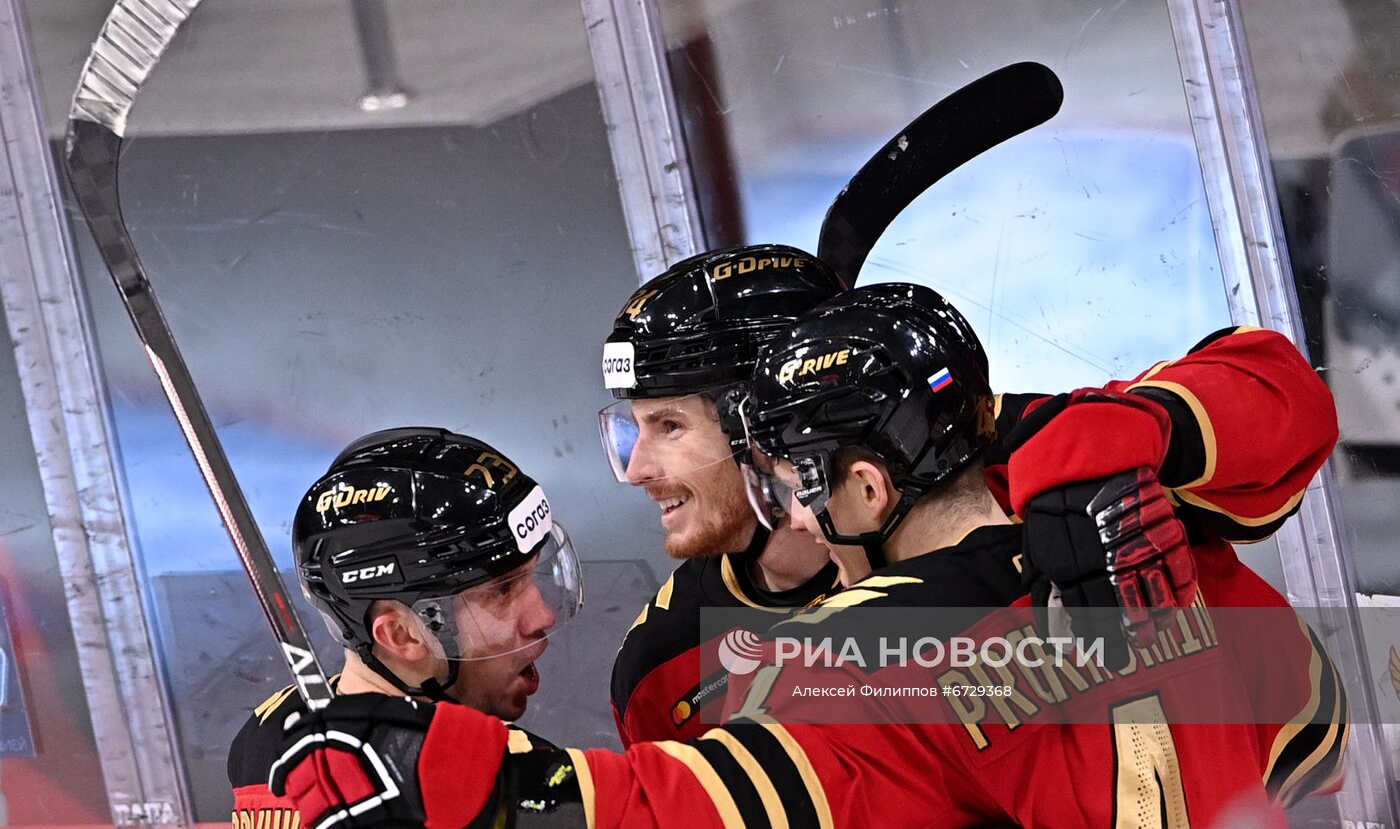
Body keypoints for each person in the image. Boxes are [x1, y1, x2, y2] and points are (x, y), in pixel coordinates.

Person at [265, 286, 1346, 829]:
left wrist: (422, 775)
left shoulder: (870, 647)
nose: (637, 465)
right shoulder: (1068, 480)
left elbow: (644, 808)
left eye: (668, 425)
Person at [227, 428, 583, 829]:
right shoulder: (505, 776)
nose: (543, 615)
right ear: (401, 635)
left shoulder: (261, 735)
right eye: (502, 591)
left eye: (532, 577)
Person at [598, 244, 845, 743]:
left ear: (775, 424)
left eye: (669, 426)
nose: (638, 470)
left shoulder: (986, 526)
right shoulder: (659, 667)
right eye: (636, 430)